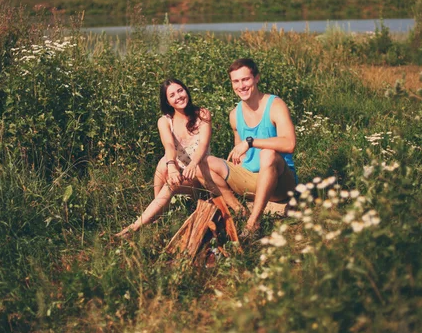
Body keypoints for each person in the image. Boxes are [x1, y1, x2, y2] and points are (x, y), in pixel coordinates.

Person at [202, 58, 297, 239]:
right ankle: (239, 211)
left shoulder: (275, 105)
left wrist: (251, 142)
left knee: (268, 154)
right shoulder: (234, 115)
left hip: (281, 182)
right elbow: (240, 154)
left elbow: (289, 144)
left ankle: (253, 224)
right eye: (236, 81)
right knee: (205, 162)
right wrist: (236, 163)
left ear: (256, 78)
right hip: (252, 179)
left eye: (245, 79)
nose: (241, 86)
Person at [116, 78, 212, 237]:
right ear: (167, 101)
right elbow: (169, 145)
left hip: (200, 174)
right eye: (172, 95)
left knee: (170, 185)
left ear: (186, 91)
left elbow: (203, 144)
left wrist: (193, 164)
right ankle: (158, 211)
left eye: (180, 91)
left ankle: (134, 227)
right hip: (182, 172)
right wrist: (172, 166)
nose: (179, 96)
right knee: (163, 163)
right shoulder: (165, 121)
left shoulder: (201, 114)